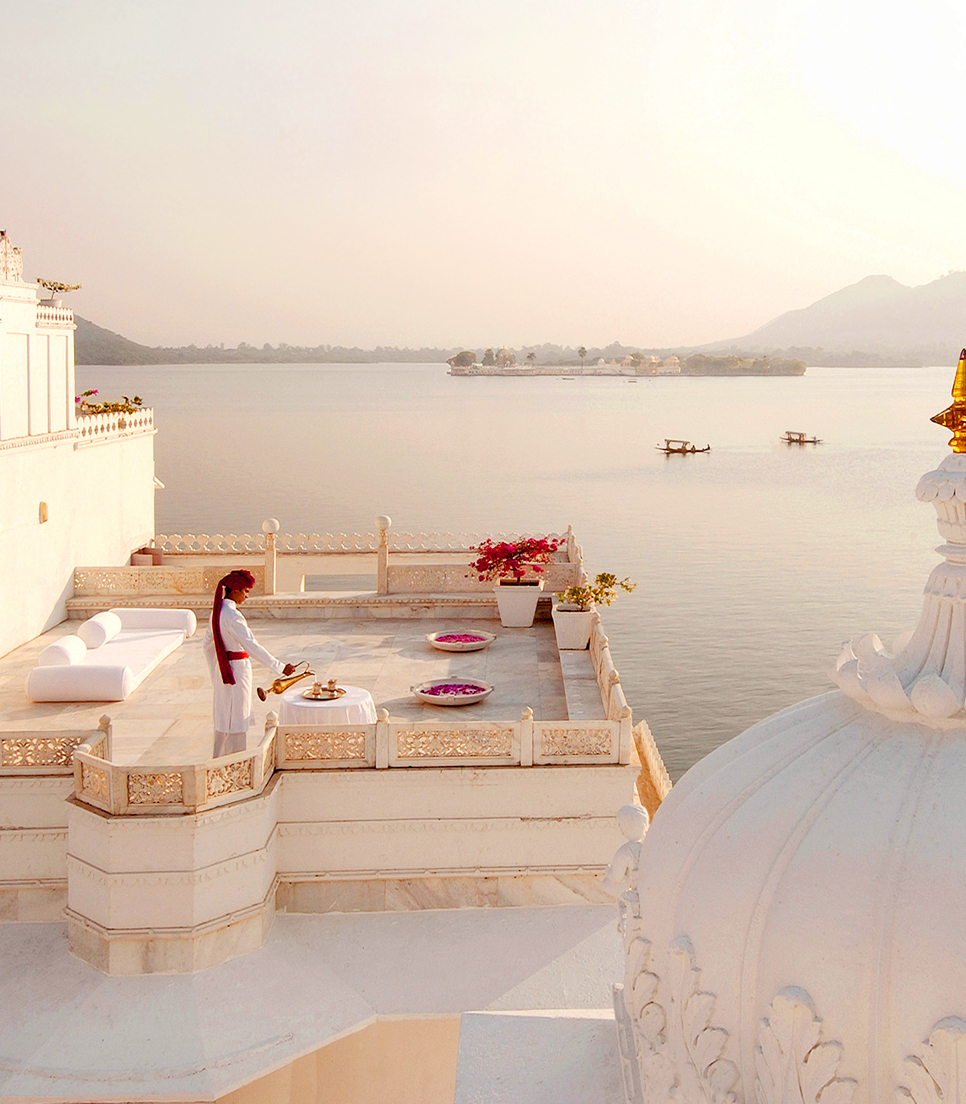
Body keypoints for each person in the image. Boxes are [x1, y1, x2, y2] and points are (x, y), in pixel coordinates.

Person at [203, 569, 294, 757]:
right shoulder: (232, 615)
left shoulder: (217, 611)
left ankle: (218, 761)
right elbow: (252, 646)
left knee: (223, 718)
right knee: (237, 718)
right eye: (245, 591)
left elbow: (207, 645)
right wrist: (279, 666)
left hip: (224, 670)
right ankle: (236, 763)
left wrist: (216, 668)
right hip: (235, 670)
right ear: (235, 591)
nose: (246, 596)